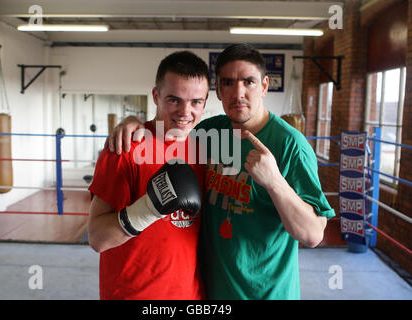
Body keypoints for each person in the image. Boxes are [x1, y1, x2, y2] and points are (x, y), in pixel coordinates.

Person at [108, 44, 335, 300]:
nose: (238, 93)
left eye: (248, 82)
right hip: (210, 291)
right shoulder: (208, 132)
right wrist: (132, 124)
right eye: (228, 82)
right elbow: (171, 124)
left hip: (265, 294)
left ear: (264, 86)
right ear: (218, 90)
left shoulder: (290, 144)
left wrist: (274, 182)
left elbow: (313, 234)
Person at [88, 50, 210, 300]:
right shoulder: (125, 148)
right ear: (156, 95)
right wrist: (149, 209)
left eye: (196, 102)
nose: (185, 112)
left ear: (205, 102)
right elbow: (98, 238)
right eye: (174, 100)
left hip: (191, 295)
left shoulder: (205, 150)